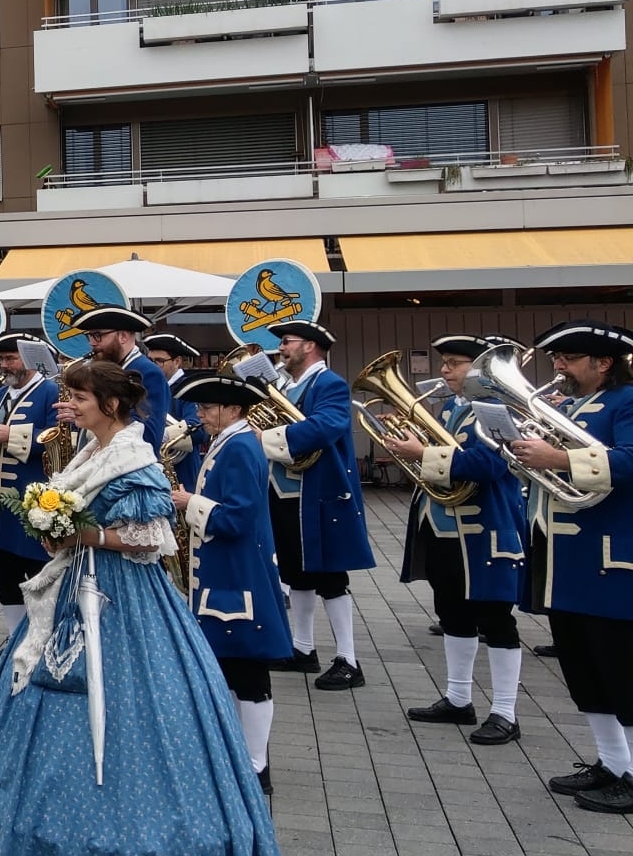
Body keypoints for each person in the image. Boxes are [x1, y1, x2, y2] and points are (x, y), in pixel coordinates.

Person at [0, 359, 284, 856]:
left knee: (137, 702)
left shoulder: (133, 457)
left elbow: (155, 538)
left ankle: (139, 841)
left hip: (125, 596)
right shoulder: (94, 449)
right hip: (76, 585)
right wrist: (54, 529)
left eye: (81, 397)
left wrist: (86, 536)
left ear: (110, 404)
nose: (72, 405)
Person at [382, 335, 528, 746]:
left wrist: (421, 453)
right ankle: (459, 698)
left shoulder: (497, 409)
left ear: (477, 368)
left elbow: (489, 464)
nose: (444, 371)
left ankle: (505, 712)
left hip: (484, 529)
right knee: (453, 613)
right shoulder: (450, 407)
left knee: (496, 619)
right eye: (444, 363)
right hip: (445, 526)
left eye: (454, 364)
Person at [512, 323, 633, 812]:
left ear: (603, 362)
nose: (557, 366)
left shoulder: (626, 401)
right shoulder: (570, 406)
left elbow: (630, 461)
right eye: (556, 357)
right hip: (564, 559)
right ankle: (612, 763)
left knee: (621, 672)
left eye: (569, 357)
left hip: (609, 559)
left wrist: (557, 456)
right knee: (584, 672)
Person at [170, 371, 293, 792]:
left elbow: (238, 518)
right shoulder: (229, 441)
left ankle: (257, 764)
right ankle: (240, 756)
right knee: (231, 668)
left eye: (207, 408)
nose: (200, 415)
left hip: (239, 573)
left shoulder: (239, 446)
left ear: (234, 410)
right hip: (225, 571)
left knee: (248, 668)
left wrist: (189, 503)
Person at [257, 319, 373, 692]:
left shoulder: (329, 383)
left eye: (287, 342)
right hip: (286, 492)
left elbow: (326, 427)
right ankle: (303, 648)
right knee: (296, 573)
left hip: (319, 494)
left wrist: (268, 436)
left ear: (309, 346)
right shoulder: (284, 385)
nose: (281, 349)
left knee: (330, 577)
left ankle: (348, 659)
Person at [0, 334, 58, 672]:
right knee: (4, 579)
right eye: (2, 360)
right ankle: (13, 641)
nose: (5, 366)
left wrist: (11, 436)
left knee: (36, 576)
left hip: (33, 498)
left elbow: (59, 440)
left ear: (29, 360)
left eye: (11, 359)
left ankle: (42, 645)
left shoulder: (51, 392)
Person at [69, 307, 172, 453]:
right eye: (90, 336)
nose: (92, 343)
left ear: (123, 336)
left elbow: (148, 435)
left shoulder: (147, 372)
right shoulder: (104, 370)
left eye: (98, 335)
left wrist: (93, 415)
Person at [144, 335, 204, 490]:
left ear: (177, 361)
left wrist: (158, 435)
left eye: (159, 361)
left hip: (181, 476)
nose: (153, 365)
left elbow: (198, 429)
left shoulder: (188, 389)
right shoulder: (146, 388)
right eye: (150, 360)